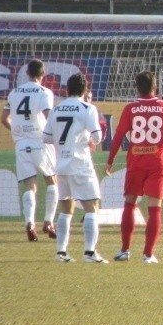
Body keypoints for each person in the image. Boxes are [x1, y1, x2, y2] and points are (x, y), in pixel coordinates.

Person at [105, 71, 163, 264]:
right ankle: (148, 254)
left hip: (136, 161)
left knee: (129, 203)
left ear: (137, 87)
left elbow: (118, 136)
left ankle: (124, 250)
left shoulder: (130, 108)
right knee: (154, 208)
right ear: (155, 86)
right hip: (157, 161)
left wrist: (110, 159)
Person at [43, 73, 107, 263]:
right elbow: (98, 137)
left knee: (66, 209)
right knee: (91, 207)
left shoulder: (56, 109)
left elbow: (46, 138)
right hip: (80, 164)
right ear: (85, 89)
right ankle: (89, 253)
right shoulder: (87, 108)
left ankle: (61, 253)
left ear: (67, 89)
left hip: (60, 165)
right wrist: (85, 140)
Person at [0, 59, 58, 242]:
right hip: (40, 141)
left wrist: (17, 131)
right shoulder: (45, 92)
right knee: (52, 181)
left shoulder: (14, 93)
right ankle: (48, 221)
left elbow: (3, 119)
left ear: (27, 73)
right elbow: (49, 116)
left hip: (21, 143)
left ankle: (29, 223)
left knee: (30, 186)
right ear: (43, 74)